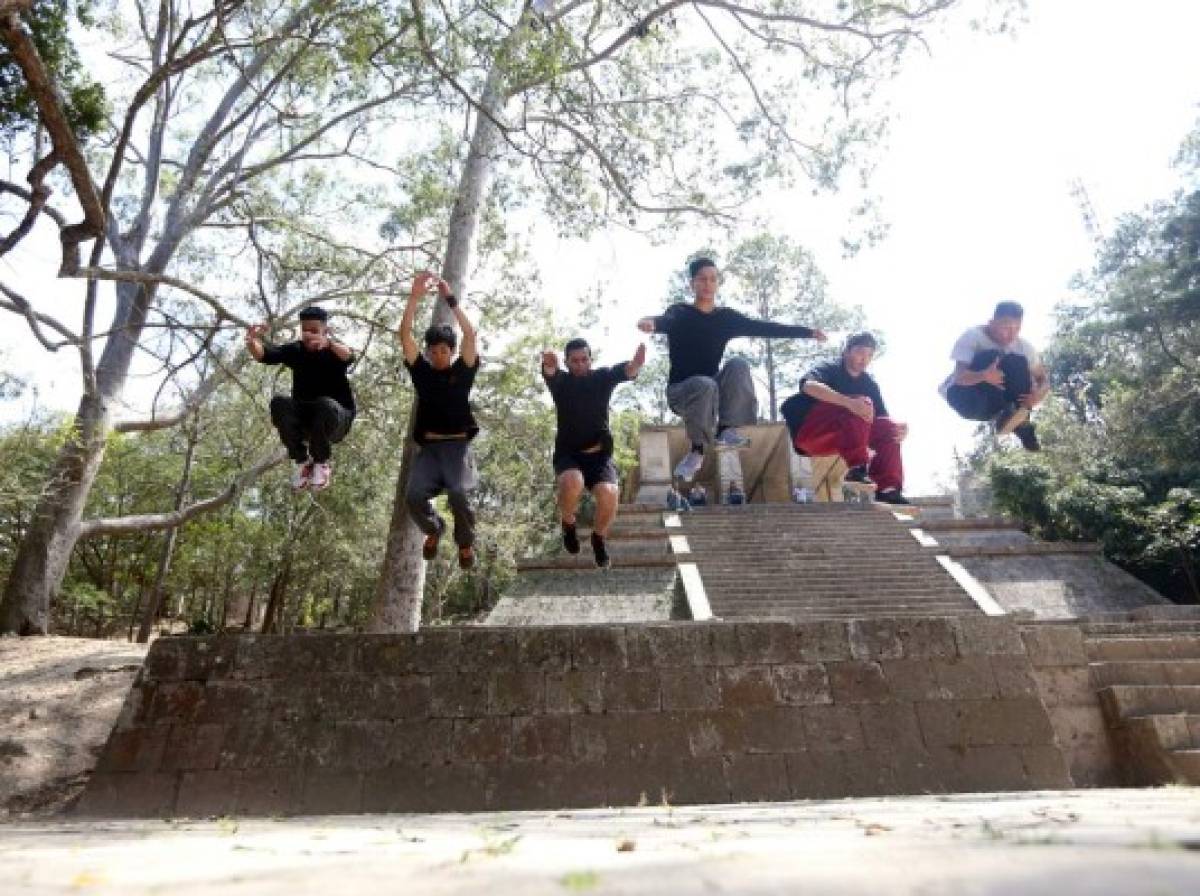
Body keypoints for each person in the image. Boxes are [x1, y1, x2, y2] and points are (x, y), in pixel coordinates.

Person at [637, 257, 827, 483]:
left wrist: (807, 332)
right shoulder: (680, 312)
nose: (708, 284)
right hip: (681, 393)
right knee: (704, 383)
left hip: (711, 392)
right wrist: (650, 323)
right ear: (693, 284)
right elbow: (665, 320)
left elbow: (764, 327)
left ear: (717, 284)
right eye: (702, 279)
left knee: (738, 364)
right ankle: (697, 450)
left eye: (713, 279)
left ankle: (728, 429)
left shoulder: (725, 318)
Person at [399, 271, 481, 570]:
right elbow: (404, 335)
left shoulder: (463, 371)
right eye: (433, 351)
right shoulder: (421, 372)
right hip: (430, 450)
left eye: (444, 351)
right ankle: (434, 530)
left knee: (458, 494)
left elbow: (471, 336)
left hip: (457, 448)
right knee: (413, 495)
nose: (438, 356)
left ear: (452, 351)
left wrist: (451, 300)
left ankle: (466, 542)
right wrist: (414, 297)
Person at [541, 338, 646, 569]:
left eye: (584, 359)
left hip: (599, 455)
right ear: (567, 363)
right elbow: (550, 370)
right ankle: (568, 524)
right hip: (569, 454)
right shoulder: (561, 382)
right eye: (574, 361)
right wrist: (549, 361)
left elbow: (626, 370)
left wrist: (636, 364)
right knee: (572, 481)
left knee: (609, 493)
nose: (580, 364)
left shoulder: (602, 377)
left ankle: (598, 538)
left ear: (590, 360)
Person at [781, 332, 910, 505]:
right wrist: (848, 402)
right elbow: (808, 386)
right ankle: (857, 468)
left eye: (869, 355)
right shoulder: (830, 368)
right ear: (846, 352)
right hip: (810, 434)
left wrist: (899, 430)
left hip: (841, 440)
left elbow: (880, 420)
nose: (864, 359)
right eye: (860, 352)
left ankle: (887, 490)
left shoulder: (869, 384)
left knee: (889, 428)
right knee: (861, 403)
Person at [246, 306, 356, 491]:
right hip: (308, 421)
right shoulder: (295, 350)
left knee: (324, 404)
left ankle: (321, 463)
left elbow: (349, 356)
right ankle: (302, 461)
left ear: (325, 331)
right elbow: (264, 355)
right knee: (279, 402)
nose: (308, 334)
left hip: (337, 420)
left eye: (314, 330)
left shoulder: (335, 352)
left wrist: (328, 344)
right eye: (305, 330)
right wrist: (251, 341)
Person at [940, 301, 1049, 451]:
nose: (1011, 334)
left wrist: (1037, 396)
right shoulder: (973, 336)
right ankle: (1008, 416)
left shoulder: (1023, 346)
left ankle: (1018, 421)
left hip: (994, 401)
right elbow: (960, 377)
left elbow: (1043, 380)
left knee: (1017, 361)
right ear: (991, 323)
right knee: (992, 356)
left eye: (1017, 328)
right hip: (965, 398)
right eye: (1006, 328)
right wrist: (984, 375)